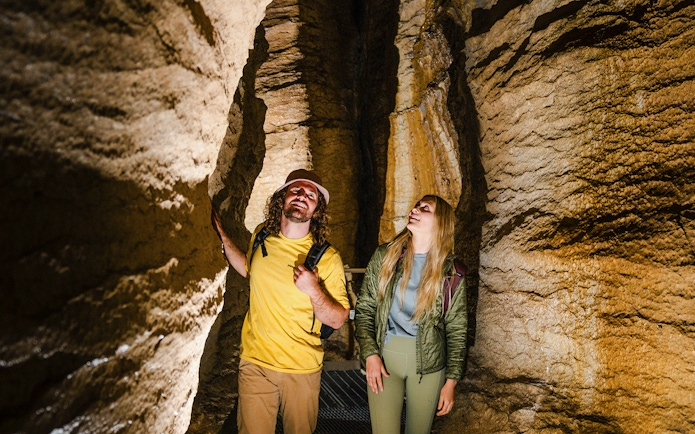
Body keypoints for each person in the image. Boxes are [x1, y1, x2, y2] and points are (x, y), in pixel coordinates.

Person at [211, 169, 350, 434]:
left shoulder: (327, 258)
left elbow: (338, 318)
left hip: (301, 368)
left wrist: (313, 289)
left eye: (311, 195)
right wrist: (223, 239)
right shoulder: (262, 234)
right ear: (282, 198)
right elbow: (252, 272)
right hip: (255, 362)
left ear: (317, 209)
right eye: (295, 190)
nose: (302, 197)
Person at [354, 195, 468, 434]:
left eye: (425, 208)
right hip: (385, 360)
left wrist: (451, 381)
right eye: (416, 205)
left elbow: (457, 329)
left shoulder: (452, 273)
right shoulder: (386, 256)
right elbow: (365, 308)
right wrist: (370, 354)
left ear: (440, 222)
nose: (415, 209)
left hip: (429, 365)